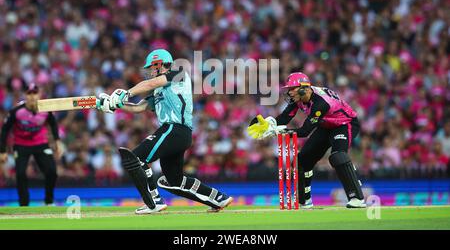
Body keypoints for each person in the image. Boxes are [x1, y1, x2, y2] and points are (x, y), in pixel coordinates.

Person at [96, 49, 233, 214]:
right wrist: (113, 105)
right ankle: (218, 197)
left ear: (160, 65)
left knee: (136, 158)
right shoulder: (159, 89)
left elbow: (150, 84)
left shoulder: (178, 73)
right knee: (173, 180)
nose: (150, 72)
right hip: (178, 134)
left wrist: (126, 93)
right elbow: (139, 107)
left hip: (174, 129)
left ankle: (154, 201)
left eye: (152, 68)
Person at [247, 72, 366, 208]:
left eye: (292, 89)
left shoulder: (321, 103)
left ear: (304, 88)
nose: (290, 93)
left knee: (338, 156)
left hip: (345, 124)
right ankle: (305, 201)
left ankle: (357, 198)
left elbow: (305, 131)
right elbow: (285, 117)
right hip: (325, 125)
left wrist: (281, 131)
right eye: (289, 90)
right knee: (302, 161)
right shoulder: (299, 98)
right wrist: (270, 123)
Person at [0, 84, 64, 206]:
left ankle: (49, 201)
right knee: (20, 173)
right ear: (25, 95)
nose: (32, 96)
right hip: (21, 145)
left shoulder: (46, 110)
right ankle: (24, 204)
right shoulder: (17, 111)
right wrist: (2, 151)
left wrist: (57, 142)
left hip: (40, 143)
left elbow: (53, 124)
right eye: (29, 93)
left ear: (39, 95)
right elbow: (5, 129)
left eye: (35, 93)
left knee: (51, 172)